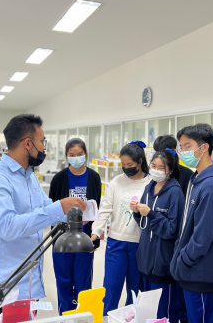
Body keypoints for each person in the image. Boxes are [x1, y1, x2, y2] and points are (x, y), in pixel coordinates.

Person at [0, 114, 85, 308]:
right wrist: (59, 207)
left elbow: (45, 208)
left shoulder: (29, 177)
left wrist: (72, 213)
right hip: (6, 289)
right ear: (27, 143)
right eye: (42, 142)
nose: (44, 148)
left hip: (29, 285)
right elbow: (8, 227)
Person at [170, 124, 213, 323]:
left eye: (187, 146)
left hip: (201, 272)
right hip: (192, 271)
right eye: (181, 147)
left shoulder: (211, 185)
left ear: (204, 148)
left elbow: (203, 237)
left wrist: (183, 260)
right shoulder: (197, 178)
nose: (183, 152)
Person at [91, 141, 151, 314]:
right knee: (111, 288)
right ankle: (107, 318)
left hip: (140, 244)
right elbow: (105, 210)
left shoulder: (150, 183)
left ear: (140, 162)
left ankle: (131, 318)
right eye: (123, 165)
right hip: (116, 243)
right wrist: (96, 232)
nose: (126, 168)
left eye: (130, 165)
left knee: (135, 290)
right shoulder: (116, 182)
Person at [49, 138, 102, 314]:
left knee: (83, 281)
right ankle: (65, 315)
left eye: (79, 154)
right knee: (64, 281)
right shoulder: (59, 179)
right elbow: (52, 208)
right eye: (72, 155)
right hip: (63, 238)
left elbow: (97, 207)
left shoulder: (93, 177)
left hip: (84, 238)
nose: (76, 157)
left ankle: (82, 316)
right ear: (66, 156)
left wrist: (95, 233)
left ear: (85, 154)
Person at [131, 149, 185, 322]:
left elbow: (172, 229)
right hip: (146, 260)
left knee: (163, 313)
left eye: (160, 167)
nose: (155, 170)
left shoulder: (175, 192)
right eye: (153, 166)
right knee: (147, 311)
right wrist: (137, 212)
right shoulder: (150, 187)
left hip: (163, 263)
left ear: (170, 170)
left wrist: (151, 214)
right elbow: (143, 223)